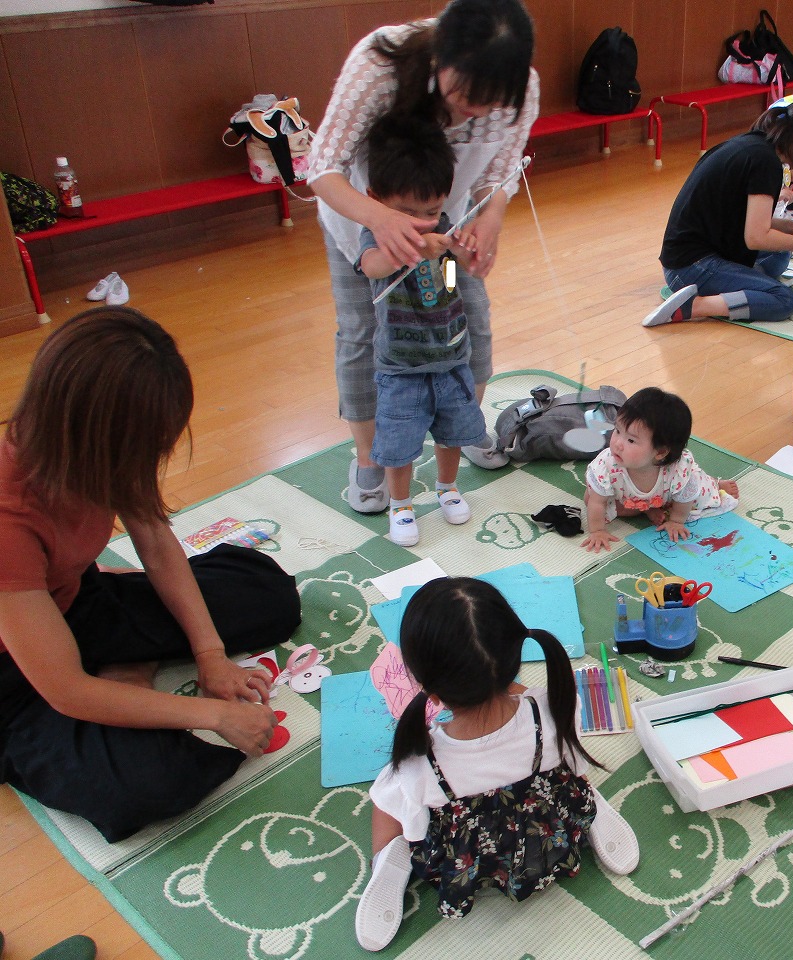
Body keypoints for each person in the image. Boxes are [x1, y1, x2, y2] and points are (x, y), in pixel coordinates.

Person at [0, 307, 301, 843]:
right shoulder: (8, 519)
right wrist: (211, 713)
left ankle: (124, 668)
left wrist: (209, 655)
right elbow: (66, 690)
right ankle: (126, 673)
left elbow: (157, 546)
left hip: (75, 603)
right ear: (98, 439)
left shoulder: (88, 446)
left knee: (267, 592)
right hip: (15, 682)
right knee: (151, 782)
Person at [309, 0, 539, 513]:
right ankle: (370, 459)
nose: (473, 111)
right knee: (363, 331)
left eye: (489, 100)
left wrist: (490, 218)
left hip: (446, 221)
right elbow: (322, 166)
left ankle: (459, 430)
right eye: (464, 95)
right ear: (441, 55)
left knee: (468, 319)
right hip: (363, 216)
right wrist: (380, 220)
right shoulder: (379, 66)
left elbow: (499, 173)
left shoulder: (522, 90)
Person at [353, 577, 638, 950]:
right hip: (541, 834)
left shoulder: (422, 761)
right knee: (566, 769)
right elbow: (563, 748)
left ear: (432, 692)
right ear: (512, 660)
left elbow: (405, 803)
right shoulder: (553, 708)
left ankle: (388, 859)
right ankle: (584, 808)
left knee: (386, 796)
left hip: (476, 853)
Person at [355, 112, 488, 548]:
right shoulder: (373, 237)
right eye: (406, 213)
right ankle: (401, 504)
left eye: (430, 211)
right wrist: (412, 249)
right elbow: (373, 268)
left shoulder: (444, 223)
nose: (422, 222)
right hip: (400, 366)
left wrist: (463, 254)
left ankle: (448, 487)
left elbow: (451, 283)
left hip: (451, 357)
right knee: (399, 442)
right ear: (376, 201)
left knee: (453, 431)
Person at [642, 96, 793, 328]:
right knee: (783, 299)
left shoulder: (757, 146)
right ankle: (694, 306)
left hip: (695, 254)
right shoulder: (766, 163)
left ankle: (739, 283)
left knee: (779, 256)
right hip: (689, 269)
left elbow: (742, 218)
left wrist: (788, 228)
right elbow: (755, 238)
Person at [581, 388, 740, 553]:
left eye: (630, 440)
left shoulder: (677, 470)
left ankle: (715, 483)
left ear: (661, 452)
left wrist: (677, 521)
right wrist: (598, 531)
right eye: (617, 431)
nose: (617, 443)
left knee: (695, 492)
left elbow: (685, 498)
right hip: (627, 496)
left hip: (666, 494)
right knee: (591, 498)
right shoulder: (606, 466)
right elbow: (597, 503)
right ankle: (647, 508)